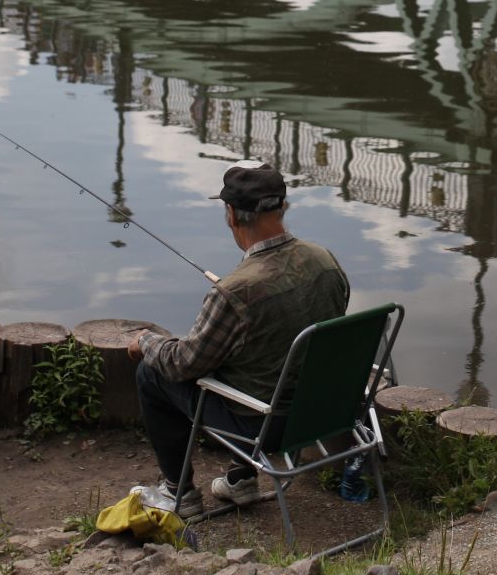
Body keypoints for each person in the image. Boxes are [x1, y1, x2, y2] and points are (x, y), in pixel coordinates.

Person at [127, 164, 350, 520]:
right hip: (322, 413)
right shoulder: (325, 261)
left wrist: (147, 341)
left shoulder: (236, 292)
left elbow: (184, 363)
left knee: (152, 373)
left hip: (265, 427)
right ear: (282, 207)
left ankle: (178, 492)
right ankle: (240, 479)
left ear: (231, 214)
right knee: (252, 358)